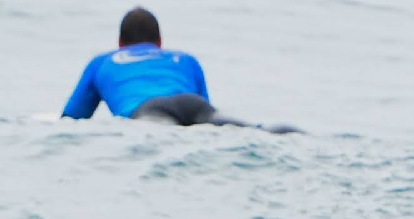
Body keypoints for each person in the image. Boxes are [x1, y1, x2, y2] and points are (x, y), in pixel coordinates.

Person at [60, 7, 299, 133]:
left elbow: (73, 119)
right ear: (160, 41)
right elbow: (202, 113)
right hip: (194, 104)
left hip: (148, 110)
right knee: (255, 132)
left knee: (162, 139)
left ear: (120, 43)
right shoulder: (184, 58)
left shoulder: (103, 61)